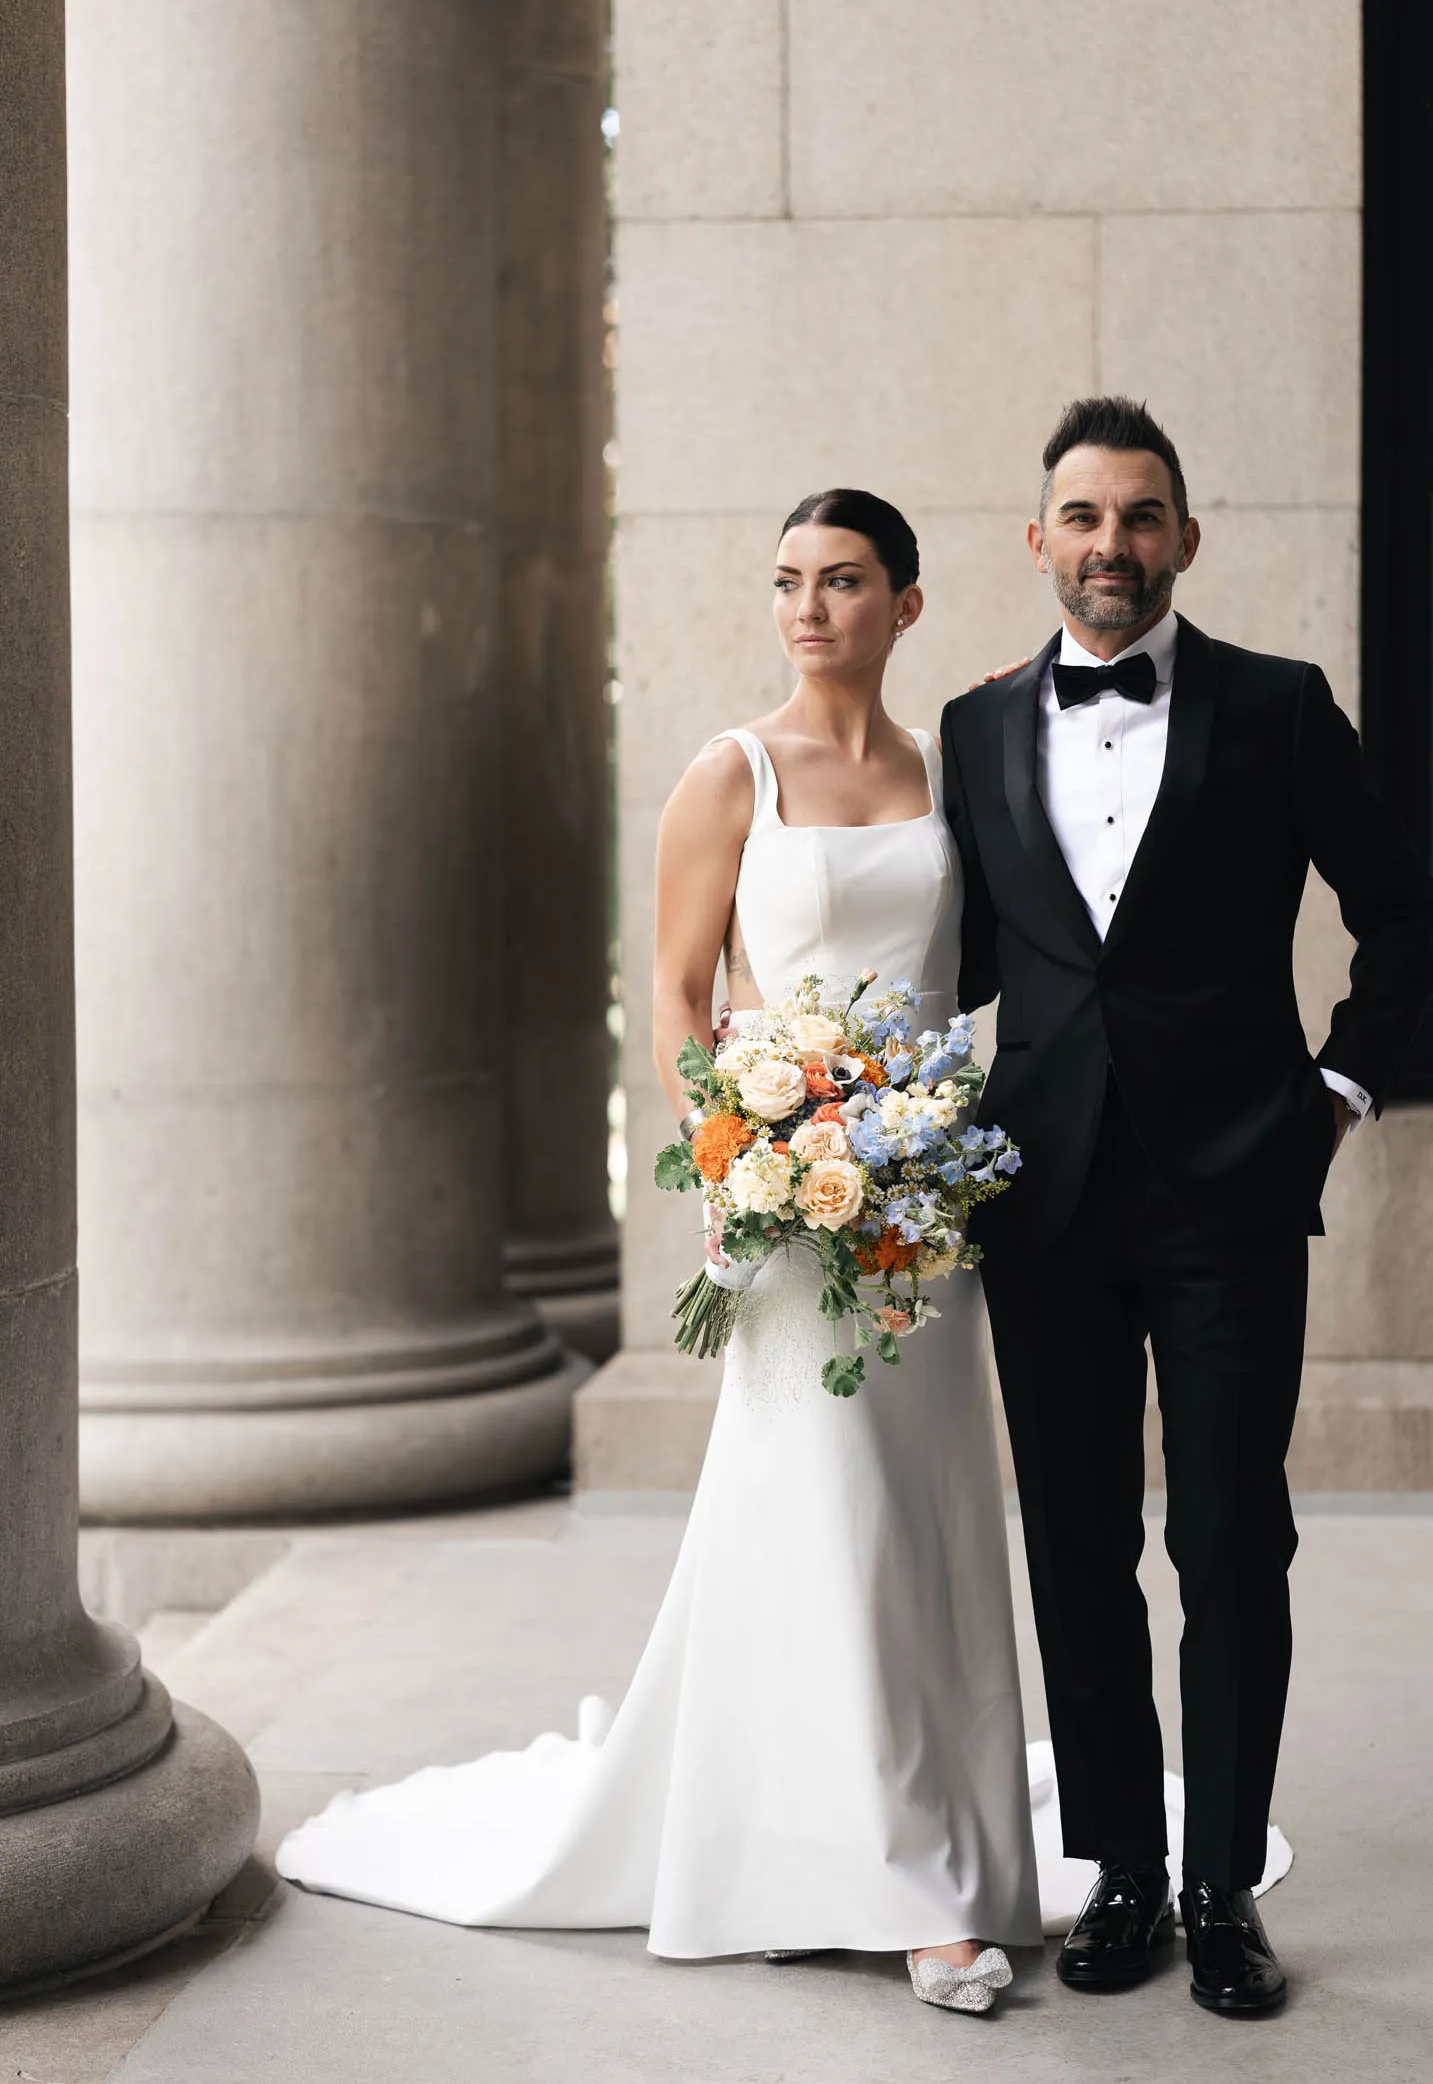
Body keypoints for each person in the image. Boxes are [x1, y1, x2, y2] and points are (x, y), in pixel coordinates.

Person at [278, 489, 1046, 2016]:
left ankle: (877, 1831)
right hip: (786, 1207)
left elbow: (971, 981)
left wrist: (922, 1134)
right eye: (786, 581)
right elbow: (685, 999)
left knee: (927, 1512)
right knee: (825, 1512)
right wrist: (740, 1155)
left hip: (925, 1209)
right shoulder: (731, 773)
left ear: (906, 601)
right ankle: (902, 1883)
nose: (809, 607)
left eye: (842, 580)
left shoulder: (953, 777)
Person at [941, 396, 1433, 2017]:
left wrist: (1338, 1096)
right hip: (1042, 1200)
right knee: (1077, 1544)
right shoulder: (970, 724)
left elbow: (1403, 914)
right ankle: (1122, 1873)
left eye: (1142, 516)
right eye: (1083, 516)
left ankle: (1223, 1883)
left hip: (1230, 1193)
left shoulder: (1280, 709)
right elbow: (948, 971)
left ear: (1186, 539)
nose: (1112, 545)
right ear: (1039, 542)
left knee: (1230, 1539)